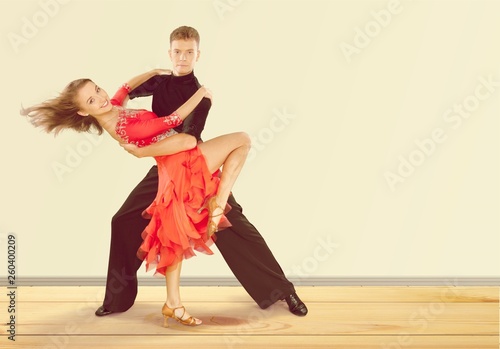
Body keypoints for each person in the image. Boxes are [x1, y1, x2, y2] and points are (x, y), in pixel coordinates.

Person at [100, 25, 308, 318]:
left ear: (199, 55)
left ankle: (284, 291)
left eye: (189, 52)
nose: (182, 58)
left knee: (235, 227)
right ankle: (116, 301)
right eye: (177, 52)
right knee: (123, 219)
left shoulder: (201, 96)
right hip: (165, 166)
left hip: (196, 168)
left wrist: (143, 150)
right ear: (169, 52)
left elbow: (186, 140)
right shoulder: (160, 82)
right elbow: (122, 97)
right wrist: (151, 73)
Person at [22, 69, 251, 327]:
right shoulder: (123, 126)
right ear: (85, 113)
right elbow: (173, 119)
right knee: (242, 140)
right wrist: (202, 93)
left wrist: (153, 71)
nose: (101, 97)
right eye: (91, 101)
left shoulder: (114, 107)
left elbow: (124, 87)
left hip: (170, 167)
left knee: (174, 234)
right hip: (181, 161)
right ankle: (219, 203)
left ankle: (173, 303)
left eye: (97, 89)